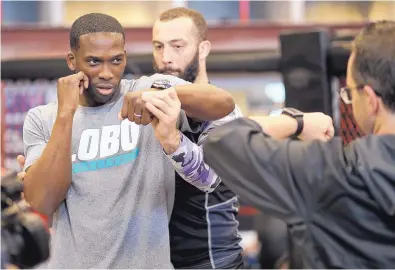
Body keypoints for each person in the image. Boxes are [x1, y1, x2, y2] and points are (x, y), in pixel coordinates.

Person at [21, 13, 236, 269]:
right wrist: (65, 115)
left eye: (116, 61)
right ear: (72, 61)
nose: (107, 73)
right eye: (93, 61)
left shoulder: (148, 89)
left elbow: (223, 103)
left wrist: (164, 94)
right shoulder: (42, 118)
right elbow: (43, 201)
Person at [203, 20, 395, 268]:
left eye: (351, 93)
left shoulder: (334, 170)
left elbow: (222, 140)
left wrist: (297, 123)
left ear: (370, 100)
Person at [152, 7, 244, 268]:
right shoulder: (153, 104)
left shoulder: (224, 112)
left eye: (177, 46)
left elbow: (210, 176)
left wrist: (171, 138)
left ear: (203, 49)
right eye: (158, 47)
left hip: (211, 261)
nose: (165, 58)